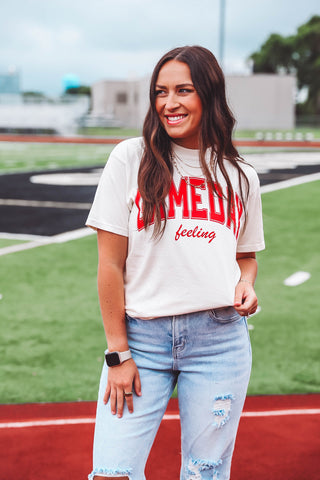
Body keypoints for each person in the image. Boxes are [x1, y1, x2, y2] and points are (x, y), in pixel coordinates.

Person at [86, 45, 265, 480]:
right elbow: (109, 266)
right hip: (140, 342)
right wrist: (117, 353)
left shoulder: (240, 176)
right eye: (160, 92)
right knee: (113, 474)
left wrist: (246, 283)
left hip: (219, 341)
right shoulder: (131, 158)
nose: (169, 103)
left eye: (183, 90)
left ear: (209, 94)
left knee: (204, 473)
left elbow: (244, 257)